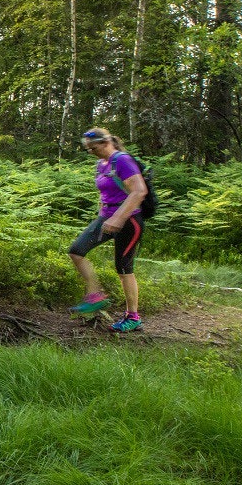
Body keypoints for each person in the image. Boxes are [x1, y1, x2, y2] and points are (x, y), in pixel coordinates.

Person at [67, 127, 149, 332]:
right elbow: (106, 191)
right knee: (77, 251)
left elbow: (139, 191)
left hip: (130, 219)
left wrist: (119, 218)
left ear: (105, 143)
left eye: (92, 148)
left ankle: (133, 317)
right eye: (88, 149)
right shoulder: (100, 164)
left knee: (123, 268)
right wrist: (103, 215)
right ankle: (95, 296)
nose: (90, 152)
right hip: (107, 216)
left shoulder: (122, 160)